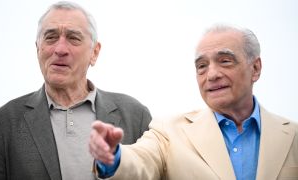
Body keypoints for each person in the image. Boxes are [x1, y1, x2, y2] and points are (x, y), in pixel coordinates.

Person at [89, 24, 298, 180]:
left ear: (256, 68)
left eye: (225, 61)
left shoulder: (293, 136)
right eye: (202, 66)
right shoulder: (169, 132)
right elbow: (140, 161)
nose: (212, 74)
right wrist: (113, 157)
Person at [0, 1, 151, 180]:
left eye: (73, 38)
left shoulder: (135, 116)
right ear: (38, 47)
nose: (60, 49)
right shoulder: (5, 123)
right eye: (51, 37)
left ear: (94, 52)